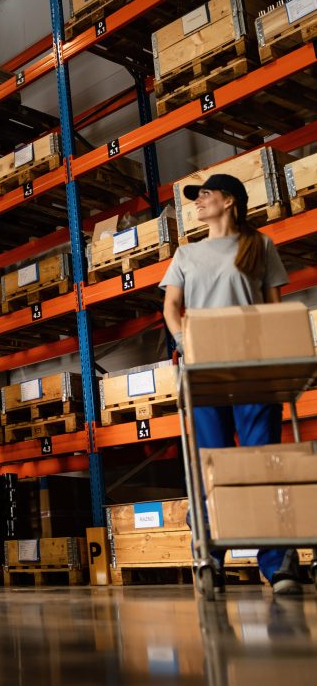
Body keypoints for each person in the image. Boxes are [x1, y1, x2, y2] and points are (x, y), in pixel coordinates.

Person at [160, 172, 304, 596]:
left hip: (254, 370)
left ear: (229, 201)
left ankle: (277, 563)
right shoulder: (186, 255)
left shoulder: (258, 247)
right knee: (212, 465)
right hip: (205, 371)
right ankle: (210, 556)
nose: (197, 203)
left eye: (204, 195)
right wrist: (186, 340)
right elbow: (171, 306)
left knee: (262, 464)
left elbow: (273, 308)